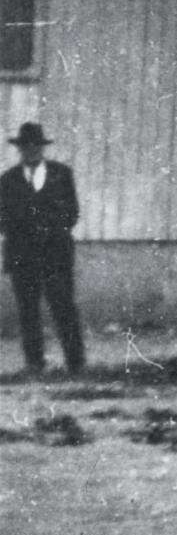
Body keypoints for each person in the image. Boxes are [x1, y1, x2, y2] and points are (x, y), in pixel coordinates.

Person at [0, 122, 85, 375]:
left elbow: (72, 213)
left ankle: (75, 364)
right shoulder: (7, 180)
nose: (31, 151)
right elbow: (1, 219)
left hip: (55, 255)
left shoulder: (62, 174)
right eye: (26, 146)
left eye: (36, 146)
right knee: (28, 312)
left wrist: (48, 231)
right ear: (20, 149)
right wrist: (24, 230)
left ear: (42, 148)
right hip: (22, 255)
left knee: (64, 308)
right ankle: (35, 364)